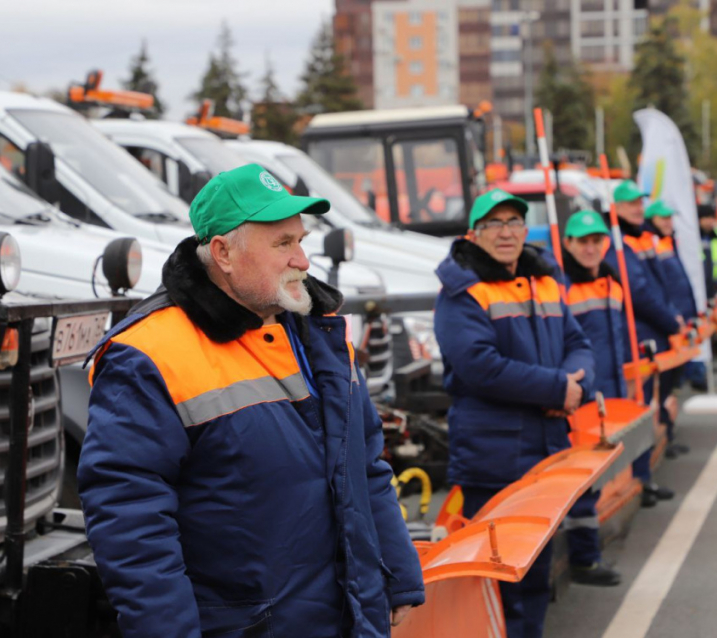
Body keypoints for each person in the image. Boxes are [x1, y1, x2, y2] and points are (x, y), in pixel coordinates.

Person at [78, 164, 425, 638]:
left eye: (300, 241)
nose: (303, 260)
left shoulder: (316, 334)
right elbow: (132, 527)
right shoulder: (148, 355)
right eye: (283, 244)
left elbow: (364, 465)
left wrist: (396, 574)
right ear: (222, 252)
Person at [434, 189, 596, 637]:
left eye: (514, 223)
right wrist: (556, 388)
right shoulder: (462, 290)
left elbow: (579, 343)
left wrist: (574, 384)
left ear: (526, 231)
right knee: (502, 576)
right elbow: (478, 367)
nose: (506, 232)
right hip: (495, 454)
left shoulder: (545, 280)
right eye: (494, 224)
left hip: (546, 449)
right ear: (474, 233)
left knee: (535, 573)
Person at [604, 181, 679, 503]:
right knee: (634, 409)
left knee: (642, 407)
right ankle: (638, 480)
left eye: (639, 203)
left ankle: (641, 477)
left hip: (646, 332)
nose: (638, 208)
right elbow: (639, 291)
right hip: (634, 336)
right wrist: (669, 321)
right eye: (630, 204)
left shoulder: (637, 238)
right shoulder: (616, 242)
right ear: (616, 208)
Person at [645, 200, 697, 452]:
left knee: (671, 386)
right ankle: (664, 437)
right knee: (662, 387)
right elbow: (658, 290)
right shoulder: (652, 244)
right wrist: (671, 318)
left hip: (678, 323)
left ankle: (668, 435)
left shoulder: (667, 242)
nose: (668, 222)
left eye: (669, 217)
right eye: (662, 218)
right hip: (667, 325)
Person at [698, 203, 717, 300]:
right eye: (707, 217)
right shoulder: (694, 238)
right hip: (698, 289)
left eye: (712, 217)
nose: (710, 221)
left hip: (714, 289)